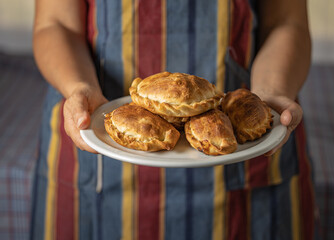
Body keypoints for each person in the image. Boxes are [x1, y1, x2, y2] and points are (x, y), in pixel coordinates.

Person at [31, 0, 316, 239]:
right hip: (97, 145)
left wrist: (270, 94)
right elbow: (55, 24)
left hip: (247, 160)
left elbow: (287, 22)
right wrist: (79, 87)